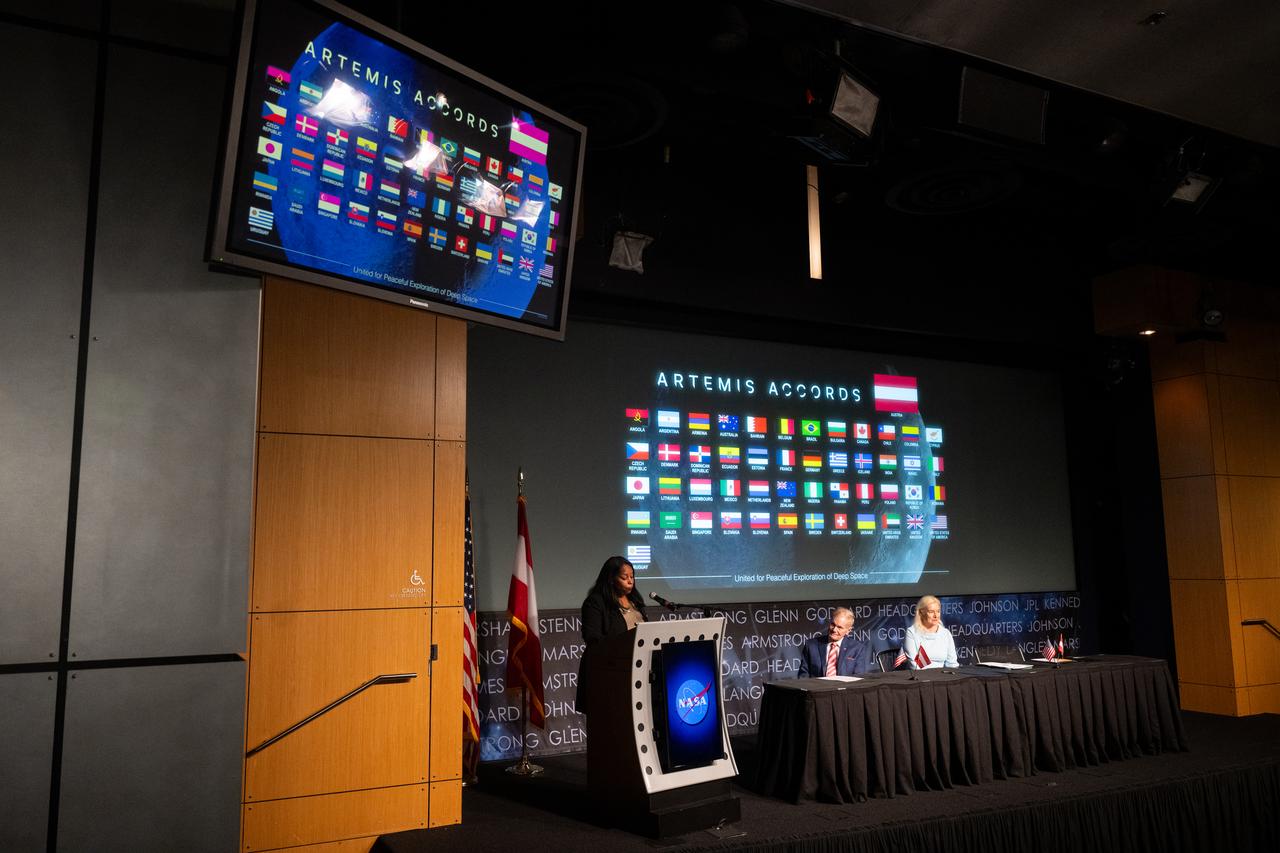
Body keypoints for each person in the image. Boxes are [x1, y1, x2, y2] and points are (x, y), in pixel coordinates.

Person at [576, 556, 647, 714]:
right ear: (611, 579)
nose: (630, 581)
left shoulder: (636, 601)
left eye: (632, 576)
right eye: (624, 577)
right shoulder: (596, 602)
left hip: (636, 670)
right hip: (608, 675)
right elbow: (592, 638)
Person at [798, 606, 874, 677]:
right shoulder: (811, 645)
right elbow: (803, 675)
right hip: (817, 689)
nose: (834, 629)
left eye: (839, 627)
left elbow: (858, 677)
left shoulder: (857, 648)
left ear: (848, 630)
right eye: (833, 624)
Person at [902, 594, 959, 669]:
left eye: (938, 611)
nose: (936, 615)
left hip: (943, 677)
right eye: (931, 612)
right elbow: (914, 665)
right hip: (920, 677)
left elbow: (952, 664)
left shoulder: (945, 633)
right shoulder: (912, 632)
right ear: (922, 613)